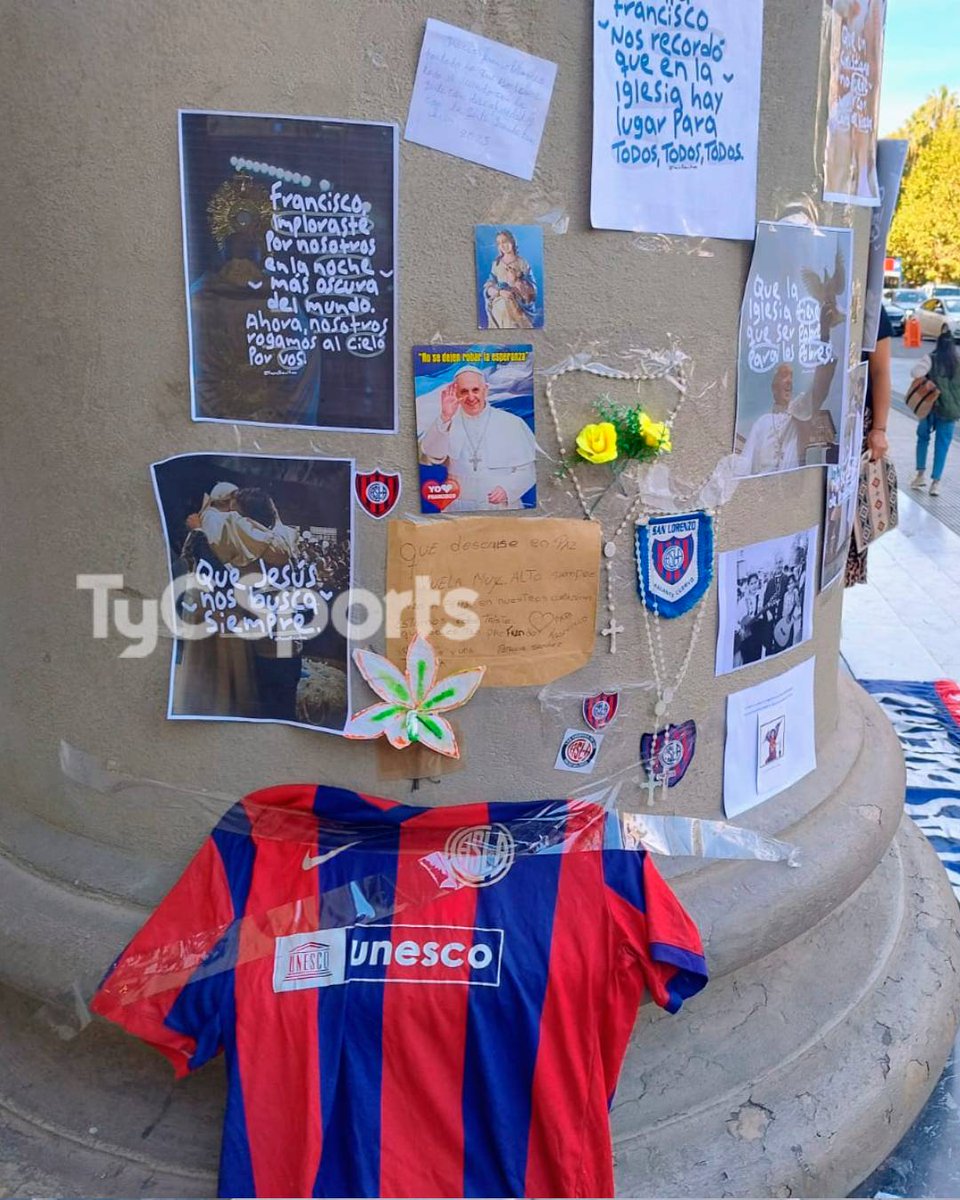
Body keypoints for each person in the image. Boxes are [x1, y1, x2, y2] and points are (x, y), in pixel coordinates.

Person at [737, 300, 840, 476]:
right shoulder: (761, 424)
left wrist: (824, 335)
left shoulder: (799, 411)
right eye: (784, 375)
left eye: (792, 377)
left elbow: (820, 387)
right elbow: (744, 469)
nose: (789, 382)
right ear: (773, 385)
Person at [419, 366, 537, 511]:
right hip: (457, 506)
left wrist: (508, 489)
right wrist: (445, 417)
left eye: (475, 390)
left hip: (502, 506)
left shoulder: (512, 422)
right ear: (456, 393)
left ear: (485, 390)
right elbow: (431, 455)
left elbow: (529, 471)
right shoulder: (445, 421)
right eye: (464, 391)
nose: (470, 397)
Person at [845, 304, 893, 586]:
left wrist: (879, 429)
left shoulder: (871, 303)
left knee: (850, 524)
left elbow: (881, 371)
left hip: (856, 428)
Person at [911, 328, 960, 497]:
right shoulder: (958, 362)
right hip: (951, 411)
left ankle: (920, 475)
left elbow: (915, 372)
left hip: (930, 407)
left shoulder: (930, 359)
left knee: (923, 439)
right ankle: (936, 483)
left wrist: (927, 382)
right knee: (942, 446)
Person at [482, 230, 537, 329]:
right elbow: (489, 284)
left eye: (505, 241)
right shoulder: (496, 263)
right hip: (500, 299)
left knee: (509, 307)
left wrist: (516, 281)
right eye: (499, 243)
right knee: (502, 305)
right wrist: (499, 292)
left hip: (518, 302)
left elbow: (532, 292)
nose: (502, 246)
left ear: (512, 242)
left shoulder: (522, 263)